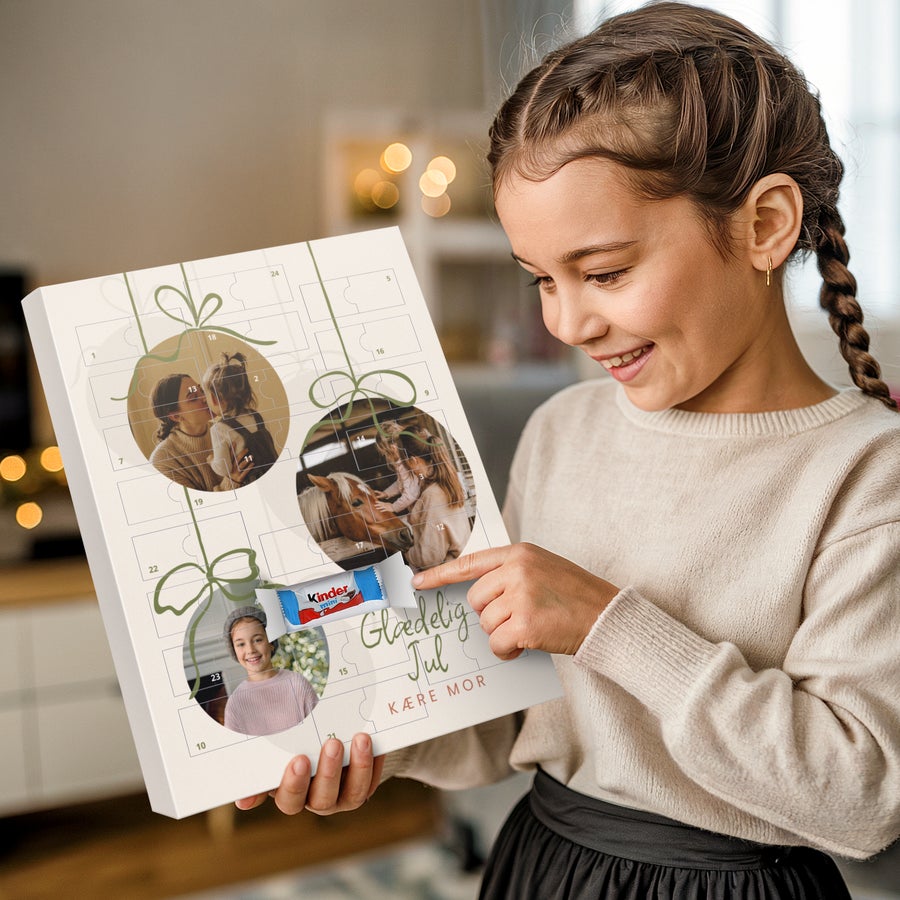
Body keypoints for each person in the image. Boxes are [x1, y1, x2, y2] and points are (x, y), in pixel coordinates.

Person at [236, 4, 900, 898]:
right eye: (543, 279)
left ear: (766, 224)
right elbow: (514, 718)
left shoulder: (866, 476)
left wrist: (605, 624)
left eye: (606, 271)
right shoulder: (563, 432)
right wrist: (375, 746)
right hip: (543, 864)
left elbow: (859, 801)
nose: (567, 322)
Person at [222, 606, 319, 737]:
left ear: (271, 642)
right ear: (234, 651)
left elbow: (320, 727)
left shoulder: (297, 684)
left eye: (257, 640)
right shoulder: (235, 704)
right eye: (241, 644)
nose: (250, 650)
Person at [148, 373, 253, 491]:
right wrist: (231, 481)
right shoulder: (162, 462)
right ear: (176, 416)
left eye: (202, 391)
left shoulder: (226, 430)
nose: (205, 398)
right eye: (193, 398)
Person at [396, 426, 473, 572]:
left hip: (448, 574)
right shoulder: (446, 482)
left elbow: (429, 558)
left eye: (403, 462)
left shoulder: (432, 495)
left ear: (412, 461)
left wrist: (405, 549)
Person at [202, 351, 278, 486]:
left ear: (214, 399)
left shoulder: (218, 429)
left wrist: (211, 460)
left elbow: (223, 468)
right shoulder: (257, 416)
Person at [373, 420, 422, 515]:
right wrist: (386, 493)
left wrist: (393, 507)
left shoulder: (405, 464)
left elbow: (411, 495)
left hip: (421, 508)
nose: (387, 457)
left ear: (393, 448)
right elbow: (401, 483)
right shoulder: (401, 462)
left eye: (386, 453)